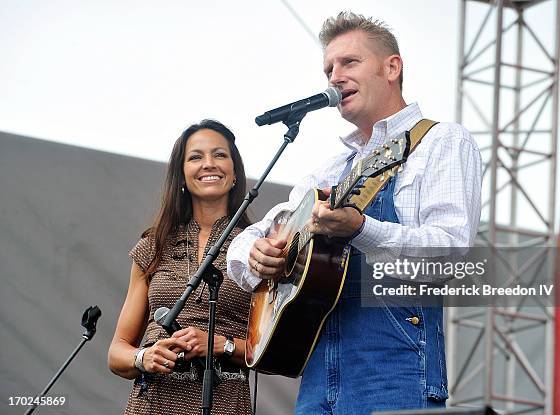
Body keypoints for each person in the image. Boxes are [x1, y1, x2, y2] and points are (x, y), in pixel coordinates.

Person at [227, 11, 482, 414]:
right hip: (317, 375)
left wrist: (362, 229)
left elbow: (450, 252)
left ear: (391, 67)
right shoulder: (329, 171)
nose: (334, 76)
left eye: (349, 62)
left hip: (395, 369)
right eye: (329, 68)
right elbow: (246, 239)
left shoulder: (440, 142)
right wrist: (258, 256)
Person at [108, 119, 253, 415]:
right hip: (151, 404)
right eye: (196, 157)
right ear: (182, 175)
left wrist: (220, 344)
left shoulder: (258, 246)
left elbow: (275, 354)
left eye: (220, 155)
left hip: (225, 405)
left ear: (235, 173)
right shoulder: (153, 245)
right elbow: (117, 352)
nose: (209, 164)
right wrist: (143, 357)